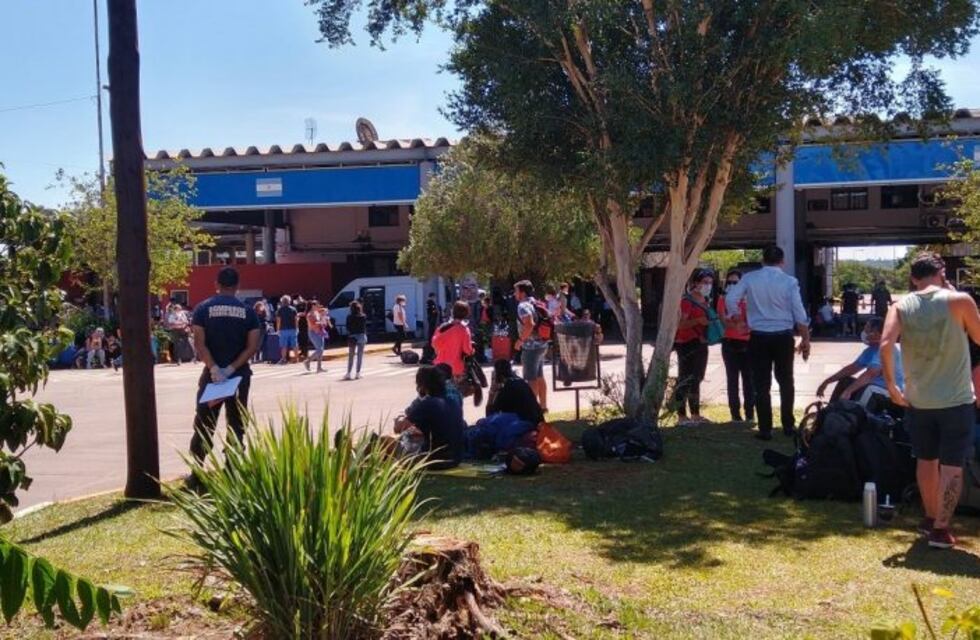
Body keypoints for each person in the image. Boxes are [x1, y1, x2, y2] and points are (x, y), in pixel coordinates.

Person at [881, 252, 980, 550]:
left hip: (918, 399)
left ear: (913, 279)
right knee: (952, 465)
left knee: (926, 459)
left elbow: (886, 344)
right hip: (956, 398)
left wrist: (891, 386)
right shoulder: (960, 300)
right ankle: (941, 529)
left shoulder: (900, 305)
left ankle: (930, 516)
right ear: (942, 273)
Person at [725, 245, 810, 440]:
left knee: (761, 384)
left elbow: (731, 298)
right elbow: (799, 312)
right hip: (783, 336)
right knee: (786, 381)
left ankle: (765, 429)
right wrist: (805, 338)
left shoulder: (750, 278)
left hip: (759, 336)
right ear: (782, 261)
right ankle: (788, 425)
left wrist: (738, 319)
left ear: (762, 260)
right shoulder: (789, 281)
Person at [189, 267, 261, 465]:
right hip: (238, 376)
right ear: (238, 286)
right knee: (237, 424)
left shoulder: (203, 309)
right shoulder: (248, 312)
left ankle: (197, 469)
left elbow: (199, 343)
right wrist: (231, 368)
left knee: (204, 423)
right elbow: (252, 347)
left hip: (212, 378)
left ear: (217, 285)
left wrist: (214, 368)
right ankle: (232, 467)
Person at [816, 318, 904, 407]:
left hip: (889, 390)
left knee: (867, 391)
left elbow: (870, 374)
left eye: (867, 329)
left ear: (876, 333)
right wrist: (827, 382)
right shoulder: (871, 350)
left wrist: (848, 391)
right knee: (845, 381)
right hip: (877, 386)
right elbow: (851, 369)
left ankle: (852, 416)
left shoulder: (885, 348)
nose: (864, 333)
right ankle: (832, 411)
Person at [393, 365, 464, 469]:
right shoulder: (452, 402)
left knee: (384, 441)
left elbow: (398, 428)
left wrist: (398, 419)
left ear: (422, 385)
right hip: (456, 458)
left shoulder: (427, 403)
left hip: (434, 461)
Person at [674, 269, 714, 425]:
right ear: (695, 283)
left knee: (697, 378)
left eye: (710, 282)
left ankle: (696, 414)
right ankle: (681, 416)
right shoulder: (686, 301)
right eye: (705, 282)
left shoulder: (705, 301)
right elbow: (680, 324)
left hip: (701, 343)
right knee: (684, 378)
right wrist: (698, 321)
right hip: (686, 343)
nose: (708, 285)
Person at [717, 269, 754, 423]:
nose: (732, 285)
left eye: (736, 282)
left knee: (749, 380)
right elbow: (723, 320)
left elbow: (752, 321)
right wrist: (738, 322)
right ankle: (735, 414)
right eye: (730, 282)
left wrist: (739, 322)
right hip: (730, 343)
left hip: (748, 343)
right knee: (732, 379)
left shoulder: (750, 299)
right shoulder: (722, 299)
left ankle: (750, 413)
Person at [514, 280, 549, 413]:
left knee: (530, 378)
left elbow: (529, 324)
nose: (515, 294)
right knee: (539, 375)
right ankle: (543, 406)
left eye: (516, 291)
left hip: (531, 347)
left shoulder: (523, 306)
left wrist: (520, 340)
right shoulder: (535, 302)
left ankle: (532, 410)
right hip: (542, 344)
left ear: (522, 293)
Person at [486, 359, 544, 425]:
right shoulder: (521, 382)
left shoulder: (506, 389)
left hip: (524, 425)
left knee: (483, 424)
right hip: (536, 421)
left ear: (499, 376)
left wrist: (491, 393)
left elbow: (490, 416)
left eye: (493, 378)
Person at [433, 301, 475, 381]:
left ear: (453, 311)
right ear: (466, 314)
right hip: (456, 367)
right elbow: (467, 350)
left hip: (440, 365)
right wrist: (472, 350)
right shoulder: (464, 330)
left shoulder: (442, 327)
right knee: (457, 391)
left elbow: (434, 343)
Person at [344, 300, 367, 380]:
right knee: (360, 355)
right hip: (361, 336)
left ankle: (348, 373)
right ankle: (358, 373)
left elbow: (347, 327)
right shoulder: (363, 316)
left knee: (351, 355)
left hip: (352, 336)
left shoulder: (349, 317)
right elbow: (364, 326)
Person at [304, 301, 329, 373]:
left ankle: (319, 367)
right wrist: (321, 323)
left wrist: (323, 320)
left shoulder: (316, 313)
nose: (318, 306)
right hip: (313, 333)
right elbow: (312, 325)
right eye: (316, 305)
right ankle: (308, 361)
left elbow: (323, 313)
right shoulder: (310, 314)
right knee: (319, 350)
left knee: (321, 350)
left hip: (320, 332)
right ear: (312, 305)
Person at [276, 295, 298, 364]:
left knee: (283, 345)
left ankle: (283, 359)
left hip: (283, 330)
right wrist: (297, 328)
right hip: (292, 329)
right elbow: (296, 320)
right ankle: (296, 358)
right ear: (289, 301)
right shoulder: (293, 309)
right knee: (294, 344)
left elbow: (278, 321)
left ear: (282, 301)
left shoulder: (280, 310)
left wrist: (278, 329)